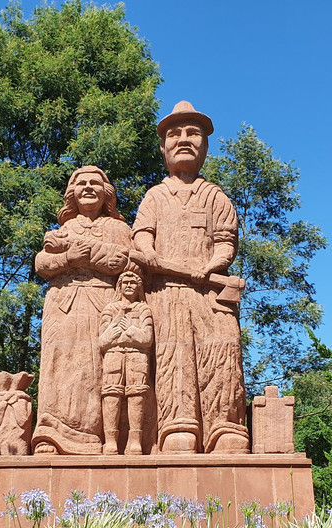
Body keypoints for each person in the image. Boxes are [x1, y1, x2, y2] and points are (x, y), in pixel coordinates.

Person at [131, 101, 250, 454]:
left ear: (205, 146)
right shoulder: (154, 196)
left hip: (209, 294)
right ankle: (177, 427)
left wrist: (213, 265)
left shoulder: (215, 196)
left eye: (192, 133)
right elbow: (141, 235)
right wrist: (147, 249)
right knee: (173, 356)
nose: (184, 139)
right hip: (165, 293)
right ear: (163, 147)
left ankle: (225, 427)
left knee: (223, 353)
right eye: (174, 133)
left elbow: (226, 242)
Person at [32, 166, 131, 455]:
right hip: (63, 306)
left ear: (106, 193)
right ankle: (51, 435)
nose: (88, 187)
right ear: (72, 193)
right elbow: (41, 264)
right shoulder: (64, 229)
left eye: (95, 183)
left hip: (103, 306)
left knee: (97, 370)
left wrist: (84, 255)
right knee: (59, 367)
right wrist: (69, 257)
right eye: (81, 183)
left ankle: (96, 436)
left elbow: (122, 261)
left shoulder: (119, 229)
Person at [98, 270, 154, 455]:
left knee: (137, 393)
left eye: (133, 282)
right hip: (114, 355)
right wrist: (115, 332)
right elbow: (103, 341)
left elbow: (147, 339)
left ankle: (135, 441)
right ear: (119, 286)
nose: (129, 285)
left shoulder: (144, 309)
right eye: (125, 282)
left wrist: (129, 330)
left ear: (139, 287)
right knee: (111, 394)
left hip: (137, 356)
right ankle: (111, 441)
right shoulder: (110, 309)